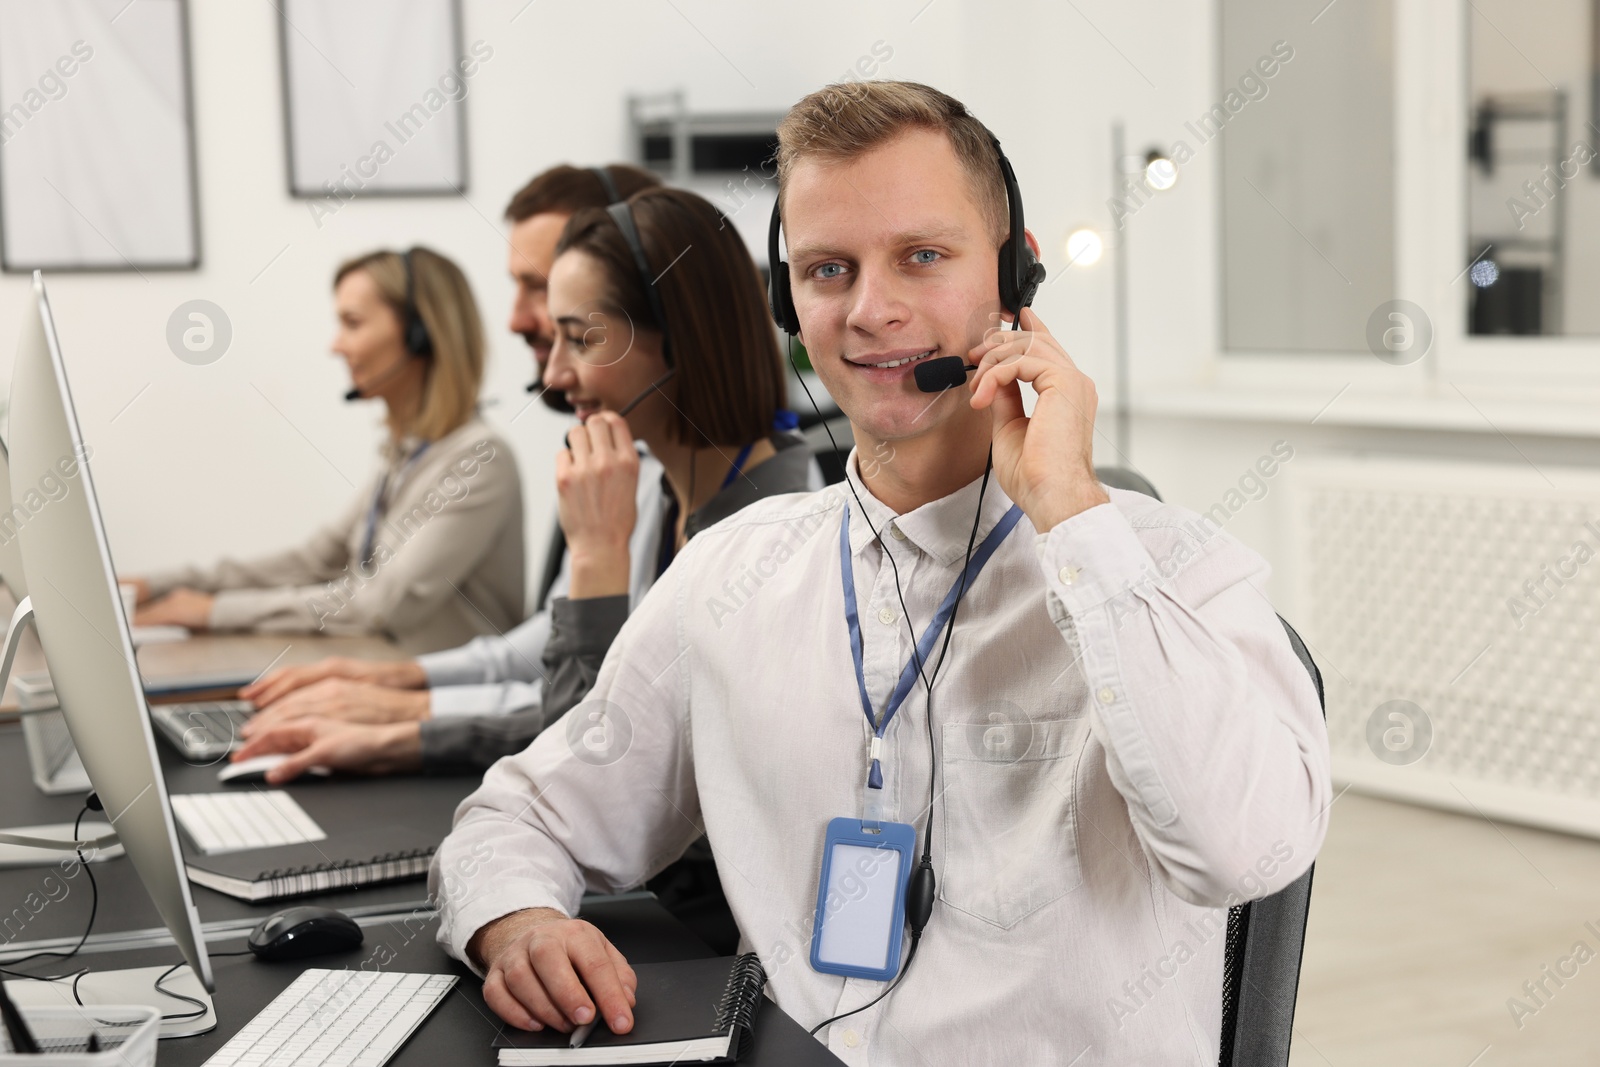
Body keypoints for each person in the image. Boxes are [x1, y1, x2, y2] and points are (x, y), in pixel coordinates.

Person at [427, 81, 1332, 1065]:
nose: (869, 310)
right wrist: (517, 923)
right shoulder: (733, 572)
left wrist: (1072, 513)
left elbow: (1245, 850)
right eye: (826, 269)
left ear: (1014, 279)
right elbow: (519, 813)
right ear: (788, 304)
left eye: (923, 256)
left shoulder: (1171, 567)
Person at [217, 165, 671, 764]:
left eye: (558, 301)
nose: (517, 320)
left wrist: (404, 712)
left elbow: (596, 723)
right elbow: (556, 662)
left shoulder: (486, 457)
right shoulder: (628, 466)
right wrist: (392, 690)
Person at [129, 247, 523, 655]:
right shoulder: (405, 456)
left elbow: (380, 605)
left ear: (420, 334)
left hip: (445, 702)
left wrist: (214, 611)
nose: (336, 346)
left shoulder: (479, 460)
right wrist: (161, 586)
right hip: (376, 675)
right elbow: (314, 561)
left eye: (352, 324)